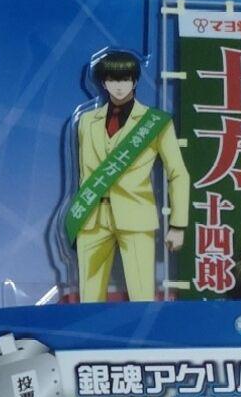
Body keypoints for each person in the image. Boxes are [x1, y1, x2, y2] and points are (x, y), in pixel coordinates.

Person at [71, 50, 190, 302]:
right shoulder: (86, 121)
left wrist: (178, 224)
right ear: (103, 83)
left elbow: (178, 173)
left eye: (125, 79)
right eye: (112, 79)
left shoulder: (155, 122)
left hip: (136, 215)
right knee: (88, 301)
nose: (119, 86)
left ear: (135, 81)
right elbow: (84, 173)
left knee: (141, 296)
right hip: (91, 217)